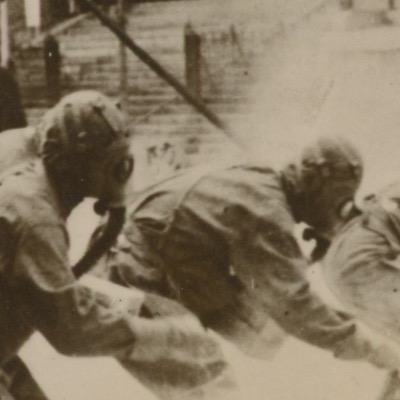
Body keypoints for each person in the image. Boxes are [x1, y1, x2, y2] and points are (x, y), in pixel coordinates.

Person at [90, 135, 400, 398]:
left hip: (134, 272)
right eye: (339, 199)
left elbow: (274, 314)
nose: (337, 213)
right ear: (319, 187)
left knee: (263, 329)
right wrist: (378, 351)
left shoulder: (258, 181)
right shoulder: (265, 212)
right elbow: (296, 306)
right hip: (127, 287)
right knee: (210, 382)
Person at [0, 90, 227, 399]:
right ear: (80, 164)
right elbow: (72, 328)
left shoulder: (16, 147)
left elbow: (54, 290)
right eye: (112, 163)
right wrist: (170, 336)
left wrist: (129, 307)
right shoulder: (34, 218)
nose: (121, 171)